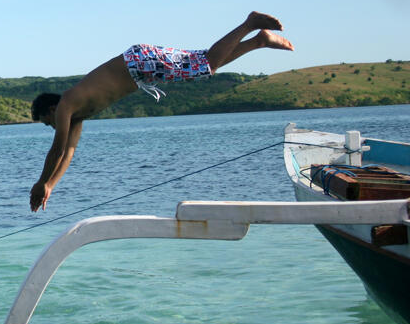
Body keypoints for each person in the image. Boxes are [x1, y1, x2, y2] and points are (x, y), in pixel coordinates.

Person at [29, 12, 294, 212]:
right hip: (139, 66)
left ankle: (250, 24)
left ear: (51, 109)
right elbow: (69, 154)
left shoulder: (66, 104)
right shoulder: (78, 115)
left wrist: (41, 182)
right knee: (204, 64)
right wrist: (50, 185)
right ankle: (260, 40)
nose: (52, 126)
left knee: (206, 64)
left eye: (46, 122)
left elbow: (58, 149)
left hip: (138, 62)